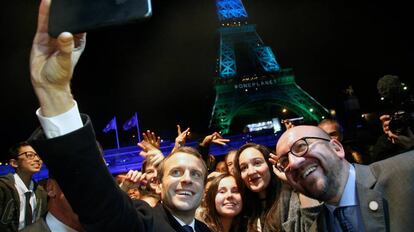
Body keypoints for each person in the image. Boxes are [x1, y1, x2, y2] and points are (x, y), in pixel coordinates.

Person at [27, 0, 211, 231]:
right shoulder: (139, 223)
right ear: (158, 185)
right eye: (175, 172)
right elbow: (95, 193)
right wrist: (54, 93)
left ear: (204, 186)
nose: (186, 179)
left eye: (196, 174)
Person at [273, 125, 414, 231]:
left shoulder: (408, 171)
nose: (293, 163)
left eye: (301, 146)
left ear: (337, 148)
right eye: (284, 161)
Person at [0, 142, 47, 232]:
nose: (37, 159)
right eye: (30, 155)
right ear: (14, 163)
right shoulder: (3, 188)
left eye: (38, 155)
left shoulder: (41, 193)